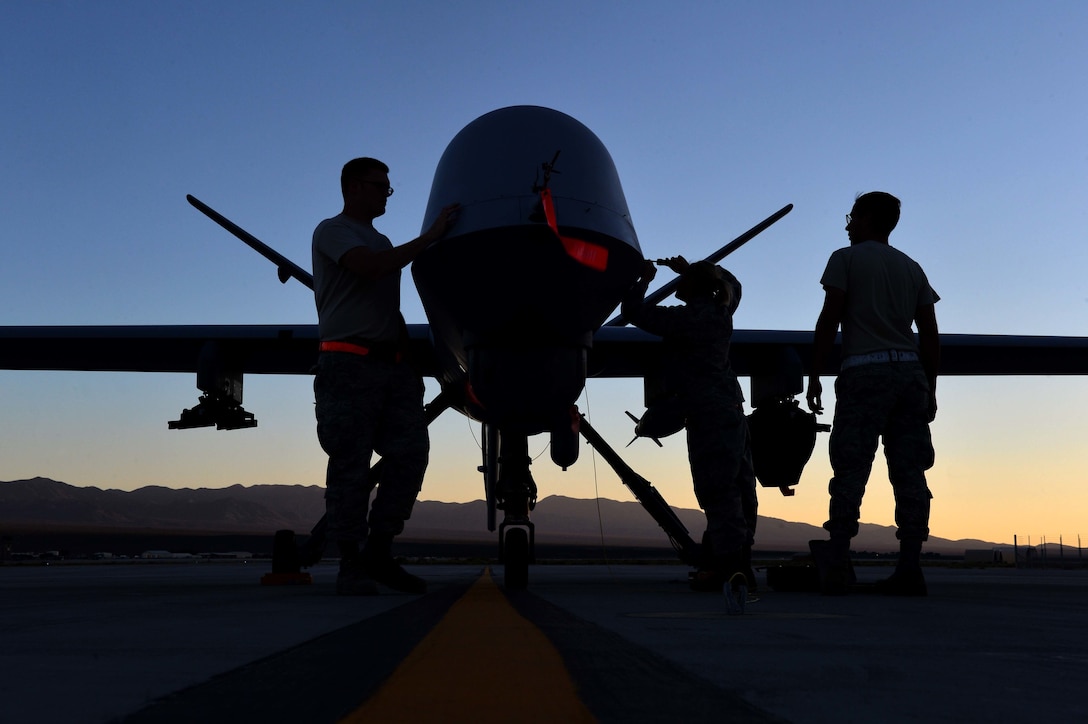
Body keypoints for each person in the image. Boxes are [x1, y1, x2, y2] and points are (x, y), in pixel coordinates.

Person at [312, 157, 458, 595]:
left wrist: (410, 367)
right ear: (353, 187)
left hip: (390, 367)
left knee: (411, 454)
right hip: (347, 364)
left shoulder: (382, 240)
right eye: (380, 187)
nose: (385, 195)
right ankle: (351, 564)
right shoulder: (333, 231)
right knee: (350, 466)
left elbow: (388, 310)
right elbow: (371, 268)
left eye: (387, 188)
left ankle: (379, 550)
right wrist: (430, 239)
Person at [805, 191, 940, 596]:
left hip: (865, 373)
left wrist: (814, 374)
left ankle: (838, 558)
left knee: (850, 468)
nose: (848, 223)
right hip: (910, 375)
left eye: (852, 216)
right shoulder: (912, 268)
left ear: (864, 218)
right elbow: (930, 334)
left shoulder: (844, 259)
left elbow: (830, 318)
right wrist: (930, 387)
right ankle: (910, 566)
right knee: (910, 471)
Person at [622, 256, 758, 593]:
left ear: (691, 288)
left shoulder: (683, 320)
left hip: (706, 415)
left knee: (718, 491)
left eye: (682, 282)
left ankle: (732, 570)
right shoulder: (722, 311)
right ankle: (737, 561)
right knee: (742, 488)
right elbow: (734, 286)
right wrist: (699, 270)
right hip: (731, 411)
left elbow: (633, 311)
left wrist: (645, 279)